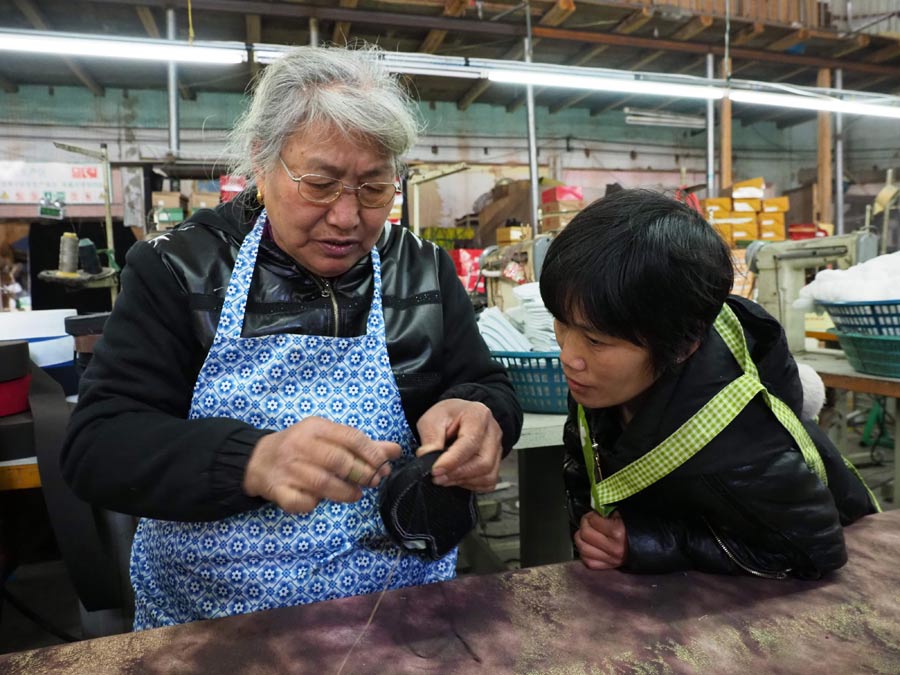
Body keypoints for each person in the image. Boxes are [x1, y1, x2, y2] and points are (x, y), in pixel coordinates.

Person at [61, 44, 522, 629]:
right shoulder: (178, 270)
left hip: (400, 613)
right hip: (216, 625)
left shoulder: (422, 270)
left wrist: (483, 416)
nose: (347, 217)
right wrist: (255, 459)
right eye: (321, 184)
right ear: (262, 159)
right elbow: (97, 447)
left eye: (375, 187)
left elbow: (486, 384)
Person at [539, 189, 877, 579]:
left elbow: (816, 550)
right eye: (562, 322)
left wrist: (650, 544)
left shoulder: (741, 445)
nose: (568, 355)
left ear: (682, 347)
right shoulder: (606, 375)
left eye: (596, 340)